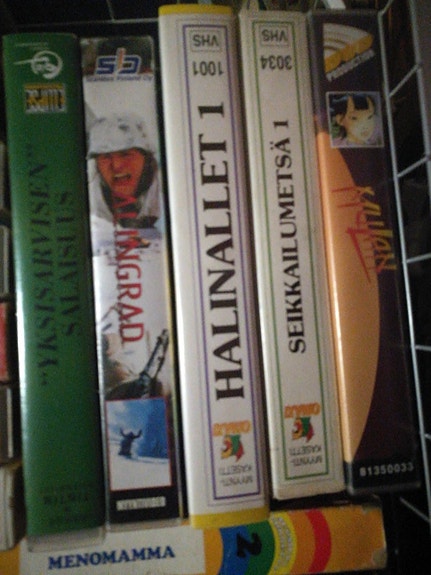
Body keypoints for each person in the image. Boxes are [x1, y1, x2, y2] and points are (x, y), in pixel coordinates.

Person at [87, 112, 160, 228]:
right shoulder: (87, 205)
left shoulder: (172, 195)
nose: (116, 165)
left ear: (146, 159)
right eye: (106, 157)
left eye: (125, 154)